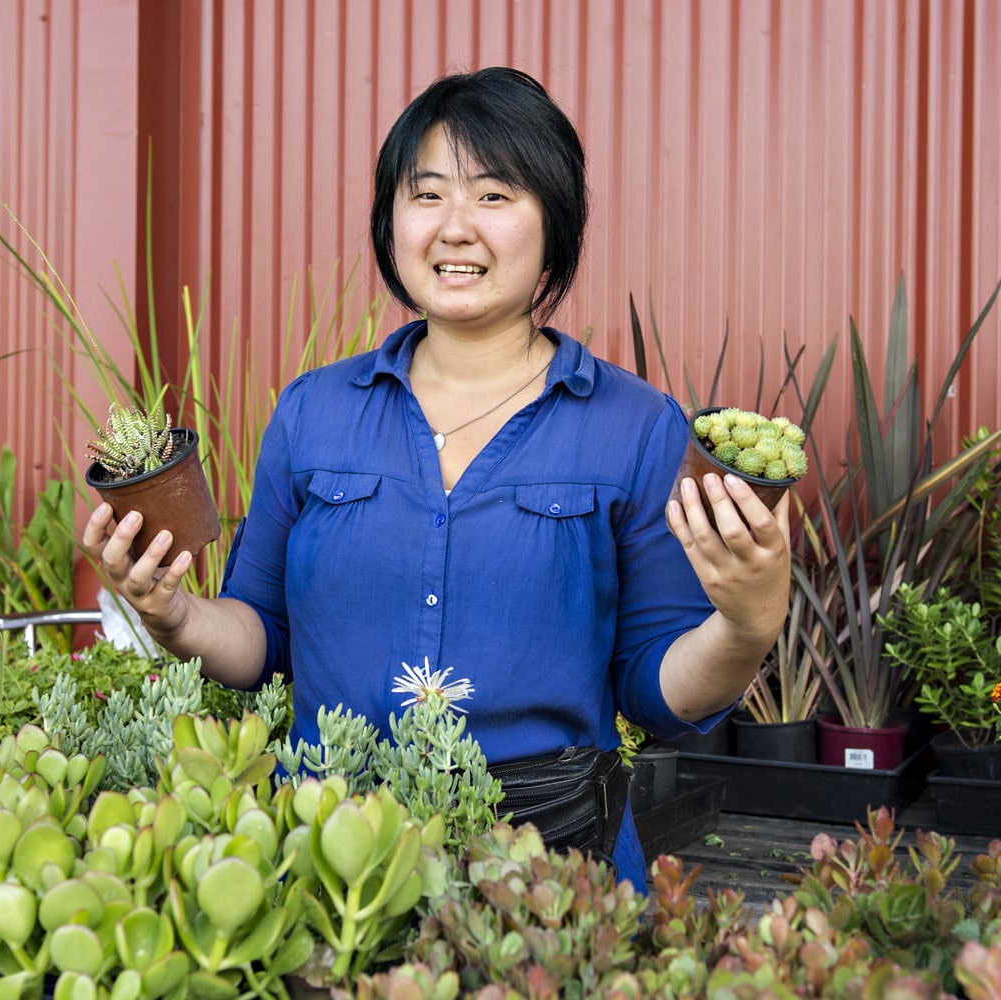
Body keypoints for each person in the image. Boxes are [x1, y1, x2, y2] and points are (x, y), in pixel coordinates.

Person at [82, 66, 791, 890]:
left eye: (495, 195)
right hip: (331, 870)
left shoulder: (634, 427)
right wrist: (172, 614)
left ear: (554, 224)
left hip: (552, 871)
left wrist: (746, 627)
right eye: (427, 196)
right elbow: (260, 642)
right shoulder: (314, 413)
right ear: (391, 221)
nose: (456, 228)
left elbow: (656, 690)